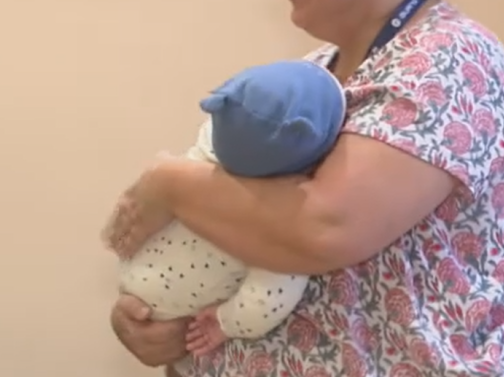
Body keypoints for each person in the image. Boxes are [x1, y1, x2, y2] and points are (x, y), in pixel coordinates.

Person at [105, 0, 504, 377]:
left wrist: (169, 182)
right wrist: (158, 319)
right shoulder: (318, 76)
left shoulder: (452, 59)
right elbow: (242, 245)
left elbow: (321, 229)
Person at [104, 60, 345, 357]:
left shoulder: (198, 156)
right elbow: (267, 300)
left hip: (140, 285)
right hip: (165, 317)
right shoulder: (265, 230)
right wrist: (224, 323)